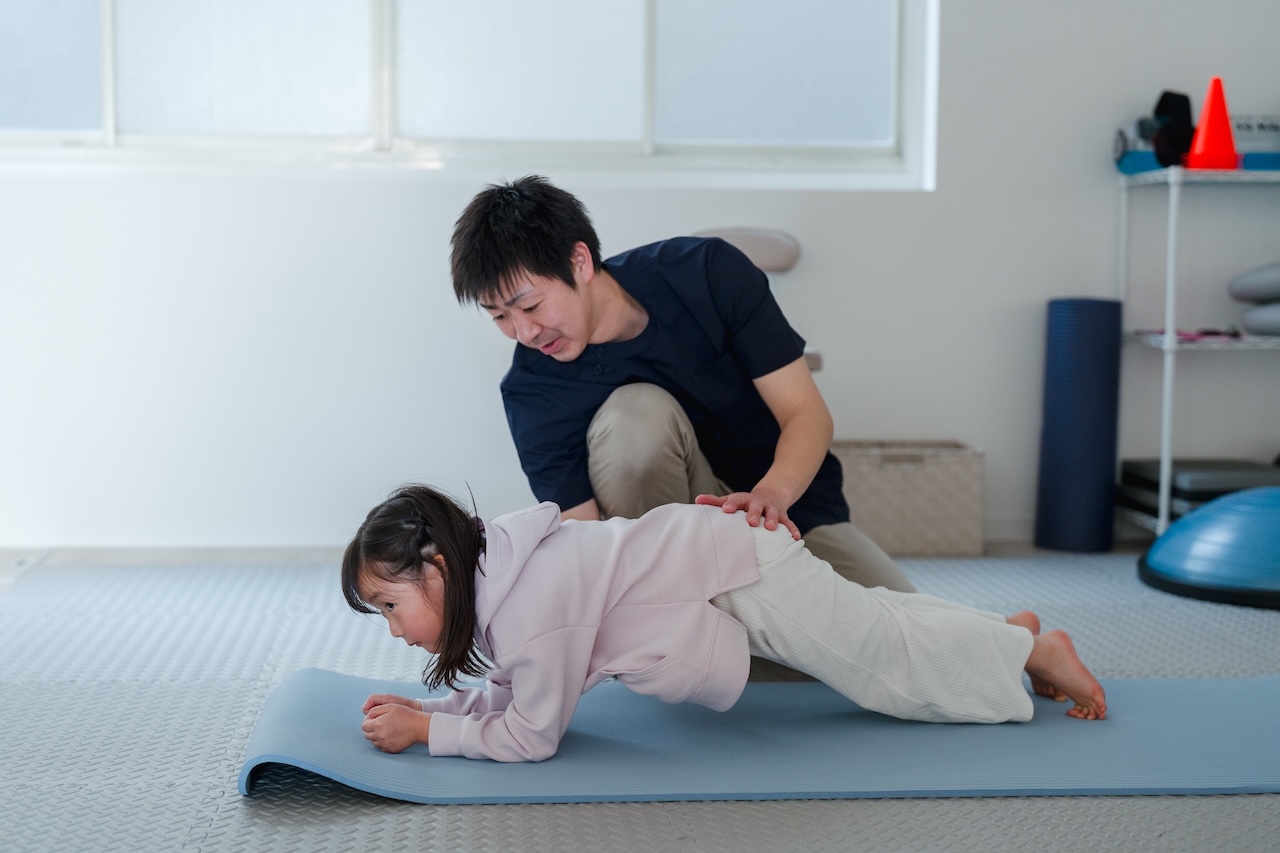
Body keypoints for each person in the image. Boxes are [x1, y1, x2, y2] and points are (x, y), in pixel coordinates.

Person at [341, 484, 1107, 763]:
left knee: (880, 666)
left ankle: (1030, 649)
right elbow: (515, 692)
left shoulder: (528, 607)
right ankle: (1001, 631)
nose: (393, 628)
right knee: (874, 621)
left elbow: (531, 733)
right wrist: (431, 710)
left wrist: (431, 733)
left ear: (436, 570)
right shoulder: (498, 568)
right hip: (724, 568)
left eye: (390, 606)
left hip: (739, 574)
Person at [449, 175, 914, 594]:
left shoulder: (707, 274)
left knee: (906, 634)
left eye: (529, 307)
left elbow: (805, 412)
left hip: (789, 513)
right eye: (500, 317)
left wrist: (771, 497)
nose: (524, 333)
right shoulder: (533, 392)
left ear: (580, 262)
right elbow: (585, 540)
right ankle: (691, 615)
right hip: (671, 569)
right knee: (636, 413)